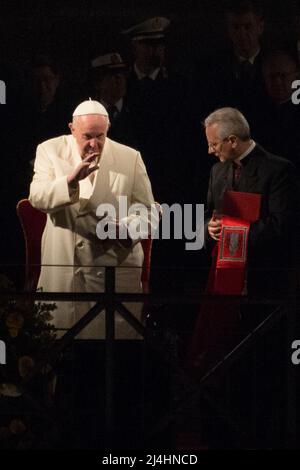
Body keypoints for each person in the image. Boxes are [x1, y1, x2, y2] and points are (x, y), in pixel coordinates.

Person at [29, 99, 156, 340]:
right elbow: (36, 197)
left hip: (111, 269)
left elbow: (148, 210)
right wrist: (69, 182)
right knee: (62, 352)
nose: (94, 144)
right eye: (87, 136)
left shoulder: (130, 157)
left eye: (100, 136)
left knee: (109, 354)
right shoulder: (49, 150)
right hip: (66, 270)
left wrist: (126, 229)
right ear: (72, 129)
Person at [204, 106, 298, 298]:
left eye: (214, 144)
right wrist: (210, 228)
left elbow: (283, 224)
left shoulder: (278, 170)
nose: (209, 151)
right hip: (223, 276)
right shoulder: (217, 171)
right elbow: (209, 215)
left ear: (232, 141)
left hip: (266, 277)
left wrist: (234, 233)